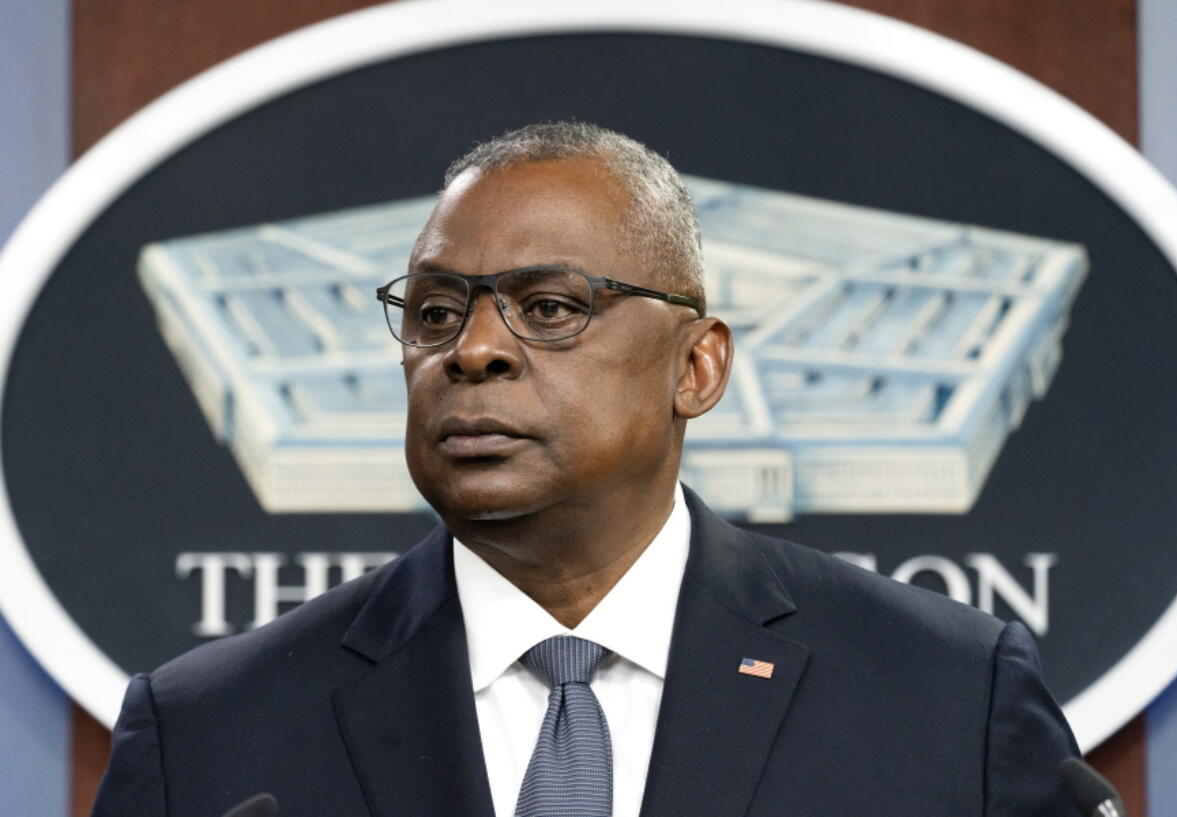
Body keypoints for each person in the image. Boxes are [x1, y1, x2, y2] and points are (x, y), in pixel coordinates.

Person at [92, 122, 1080, 817]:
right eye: (436, 312)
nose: (471, 349)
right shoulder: (209, 734)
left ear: (695, 367)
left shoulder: (944, 696)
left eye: (550, 305)